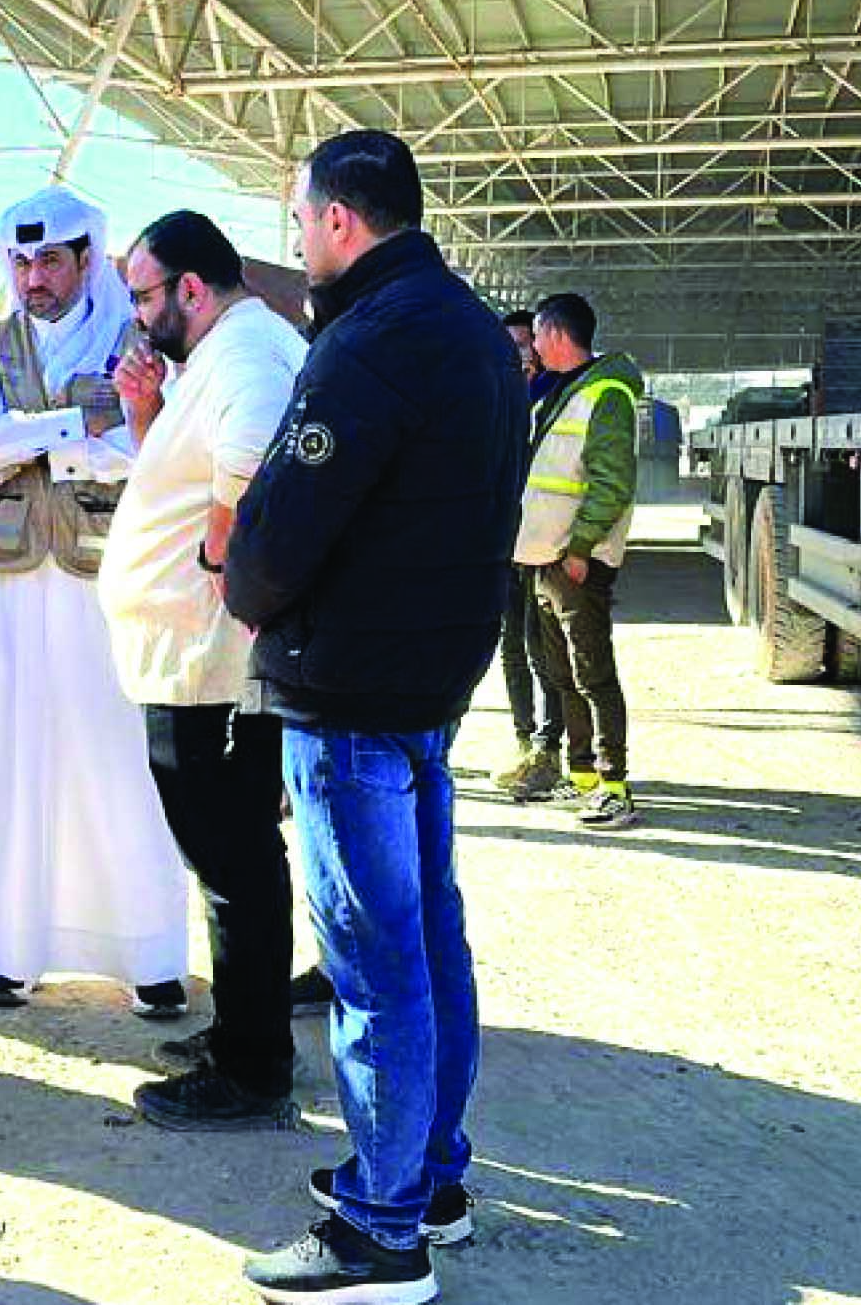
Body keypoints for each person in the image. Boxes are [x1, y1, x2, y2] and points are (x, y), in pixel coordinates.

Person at [225, 129, 524, 1305]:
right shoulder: (471, 336)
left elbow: (276, 540)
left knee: (375, 962)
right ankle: (428, 1177)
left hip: (348, 695)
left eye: (300, 219)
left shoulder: (369, 345)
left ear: (341, 220)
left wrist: (242, 579)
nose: (298, 241)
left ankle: (381, 1231)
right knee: (429, 943)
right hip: (426, 691)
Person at [0, 186, 190, 1017]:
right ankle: (13, 952)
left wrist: (38, 436)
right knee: (13, 757)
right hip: (12, 588)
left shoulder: (138, 340)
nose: (34, 278)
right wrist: (69, 432)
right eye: (20, 262)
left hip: (103, 579)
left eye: (50, 260)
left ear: (87, 259)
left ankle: (146, 954)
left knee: (118, 759)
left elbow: (145, 447)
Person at [96, 210, 304, 1131]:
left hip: (210, 666)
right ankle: (241, 1034)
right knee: (233, 859)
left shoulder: (249, 352)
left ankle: (253, 1066)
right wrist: (148, 417)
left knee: (234, 864)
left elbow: (252, 460)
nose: (138, 315)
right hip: (190, 659)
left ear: (190, 287)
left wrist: (224, 566)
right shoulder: (218, 355)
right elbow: (189, 478)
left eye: (144, 294)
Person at [517, 292, 644, 830]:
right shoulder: (562, 393)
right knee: (562, 672)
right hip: (547, 559)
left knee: (593, 672)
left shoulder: (605, 394)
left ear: (556, 335)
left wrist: (579, 548)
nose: (533, 347)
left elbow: (612, 483)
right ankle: (584, 774)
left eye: (537, 336)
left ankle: (615, 785)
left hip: (574, 562)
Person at [490, 308, 568, 802]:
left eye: (526, 343)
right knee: (511, 647)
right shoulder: (494, 394)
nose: (521, 353)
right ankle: (524, 741)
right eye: (512, 345)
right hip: (503, 541)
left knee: (546, 649)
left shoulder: (555, 397)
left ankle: (550, 746)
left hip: (542, 542)